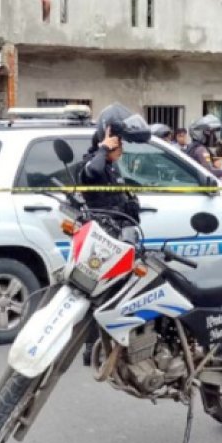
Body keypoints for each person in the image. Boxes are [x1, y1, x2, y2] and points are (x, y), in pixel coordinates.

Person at [79, 103, 148, 365]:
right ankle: (90, 349)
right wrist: (103, 147)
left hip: (117, 238)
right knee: (100, 296)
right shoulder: (93, 164)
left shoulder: (109, 167)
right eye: (119, 144)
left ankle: (108, 347)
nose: (123, 149)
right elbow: (91, 172)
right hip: (102, 243)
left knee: (117, 294)